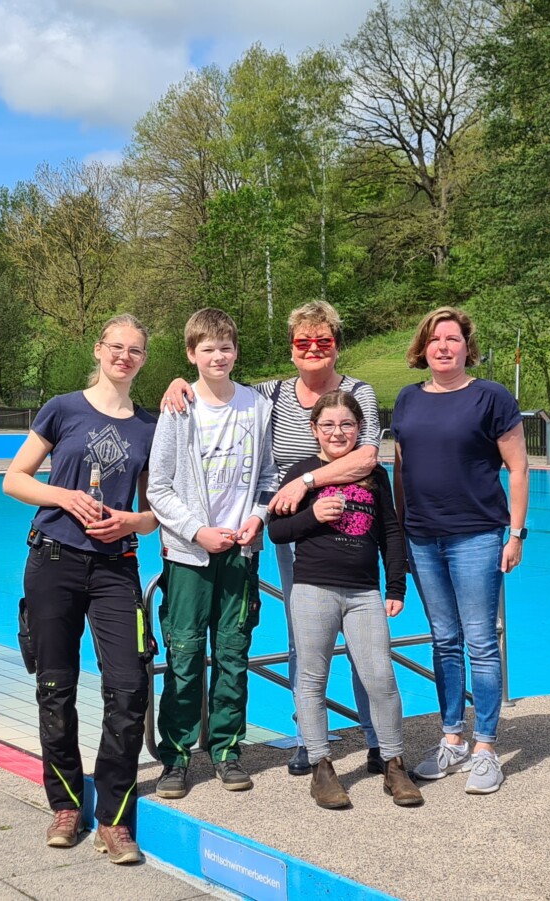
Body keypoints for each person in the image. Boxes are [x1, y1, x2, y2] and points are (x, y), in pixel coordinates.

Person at [162, 300, 387, 777]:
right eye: (303, 342)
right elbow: (217, 383)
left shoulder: (358, 393)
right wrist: (178, 383)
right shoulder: (271, 394)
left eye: (323, 341)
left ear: (336, 347)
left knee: (365, 642)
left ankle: (377, 740)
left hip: (352, 531)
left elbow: (367, 460)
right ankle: (310, 739)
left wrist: (303, 483)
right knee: (302, 638)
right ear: (291, 350)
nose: (312, 350)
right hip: (291, 534)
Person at [2, 314, 160, 864]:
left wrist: (130, 522)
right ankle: (67, 804)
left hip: (116, 567)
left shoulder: (150, 424)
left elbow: (155, 510)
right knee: (56, 688)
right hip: (53, 562)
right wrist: (63, 497)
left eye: (134, 350)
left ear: (143, 358)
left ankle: (115, 820)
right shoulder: (62, 408)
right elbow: (14, 478)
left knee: (128, 688)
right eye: (116, 347)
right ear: (98, 350)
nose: (124, 356)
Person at [393, 306, 530, 796]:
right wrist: (400, 532)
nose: (444, 347)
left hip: (476, 534)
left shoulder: (490, 397)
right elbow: (401, 469)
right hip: (423, 536)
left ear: (466, 346)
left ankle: (486, 746)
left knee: (480, 642)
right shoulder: (407, 400)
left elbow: (517, 468)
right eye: (435, 339)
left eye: (452, 338)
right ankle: (451, 736)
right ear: (423, 348)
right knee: (443, 639)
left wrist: (516, 534)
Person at [146, 309, 280, 800]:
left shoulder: (256, 406)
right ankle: (176, 757)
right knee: (184, 657)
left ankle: (226, 751)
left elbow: (268, 477)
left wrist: (257, 518)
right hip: (188, 556)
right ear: (191, 355)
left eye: (225, 347)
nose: (218, 356)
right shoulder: (177, 409)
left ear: (236, 351)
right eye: (208, 349)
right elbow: (158, 489)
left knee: (232, 654)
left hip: (240, 554)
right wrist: (197, 531)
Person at [268, 391, 423, 810]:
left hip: (363, 592)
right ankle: (321, 767)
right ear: (314, 429)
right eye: (328, 425)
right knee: (312, 681)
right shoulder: (301, 473)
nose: (338, 433)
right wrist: (312, 517)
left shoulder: (374, 475)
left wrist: (395, 586)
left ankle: (393, 764)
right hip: (314, 588)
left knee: (381, 680)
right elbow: (277, 533)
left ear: (359, 429)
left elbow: (391, 531)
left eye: (347, 425)